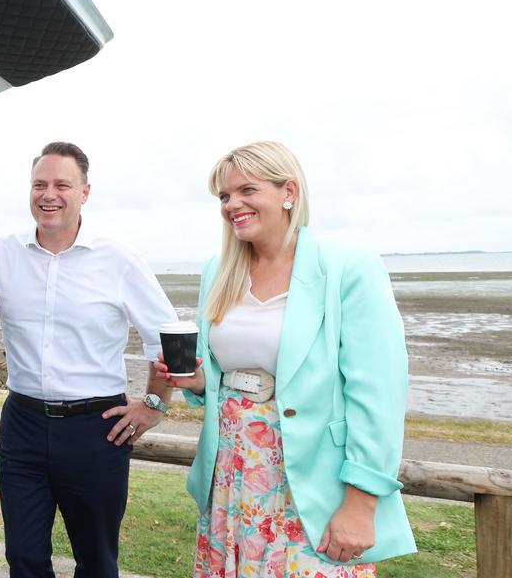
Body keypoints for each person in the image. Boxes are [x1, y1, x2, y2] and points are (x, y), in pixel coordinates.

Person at [162, 140, 416, 577]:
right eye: (224, 196)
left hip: (313, 481)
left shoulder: (349, 267)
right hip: (230, 475)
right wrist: (197, 384)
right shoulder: (216, 271)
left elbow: (380, 393)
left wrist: (362, 500)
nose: (232, 204)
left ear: (289, 192)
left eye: (247, 190)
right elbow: (221, 372)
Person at [0, 141, 178, 578]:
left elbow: (167, 338)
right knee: (25, 559)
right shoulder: (3, 251)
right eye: (39, 184)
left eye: (61, 185)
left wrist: (154, 406)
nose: (48, 194)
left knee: (97, 562)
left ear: (85, 192)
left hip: (97, 430)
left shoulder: (119, 259)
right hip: (22, 426)